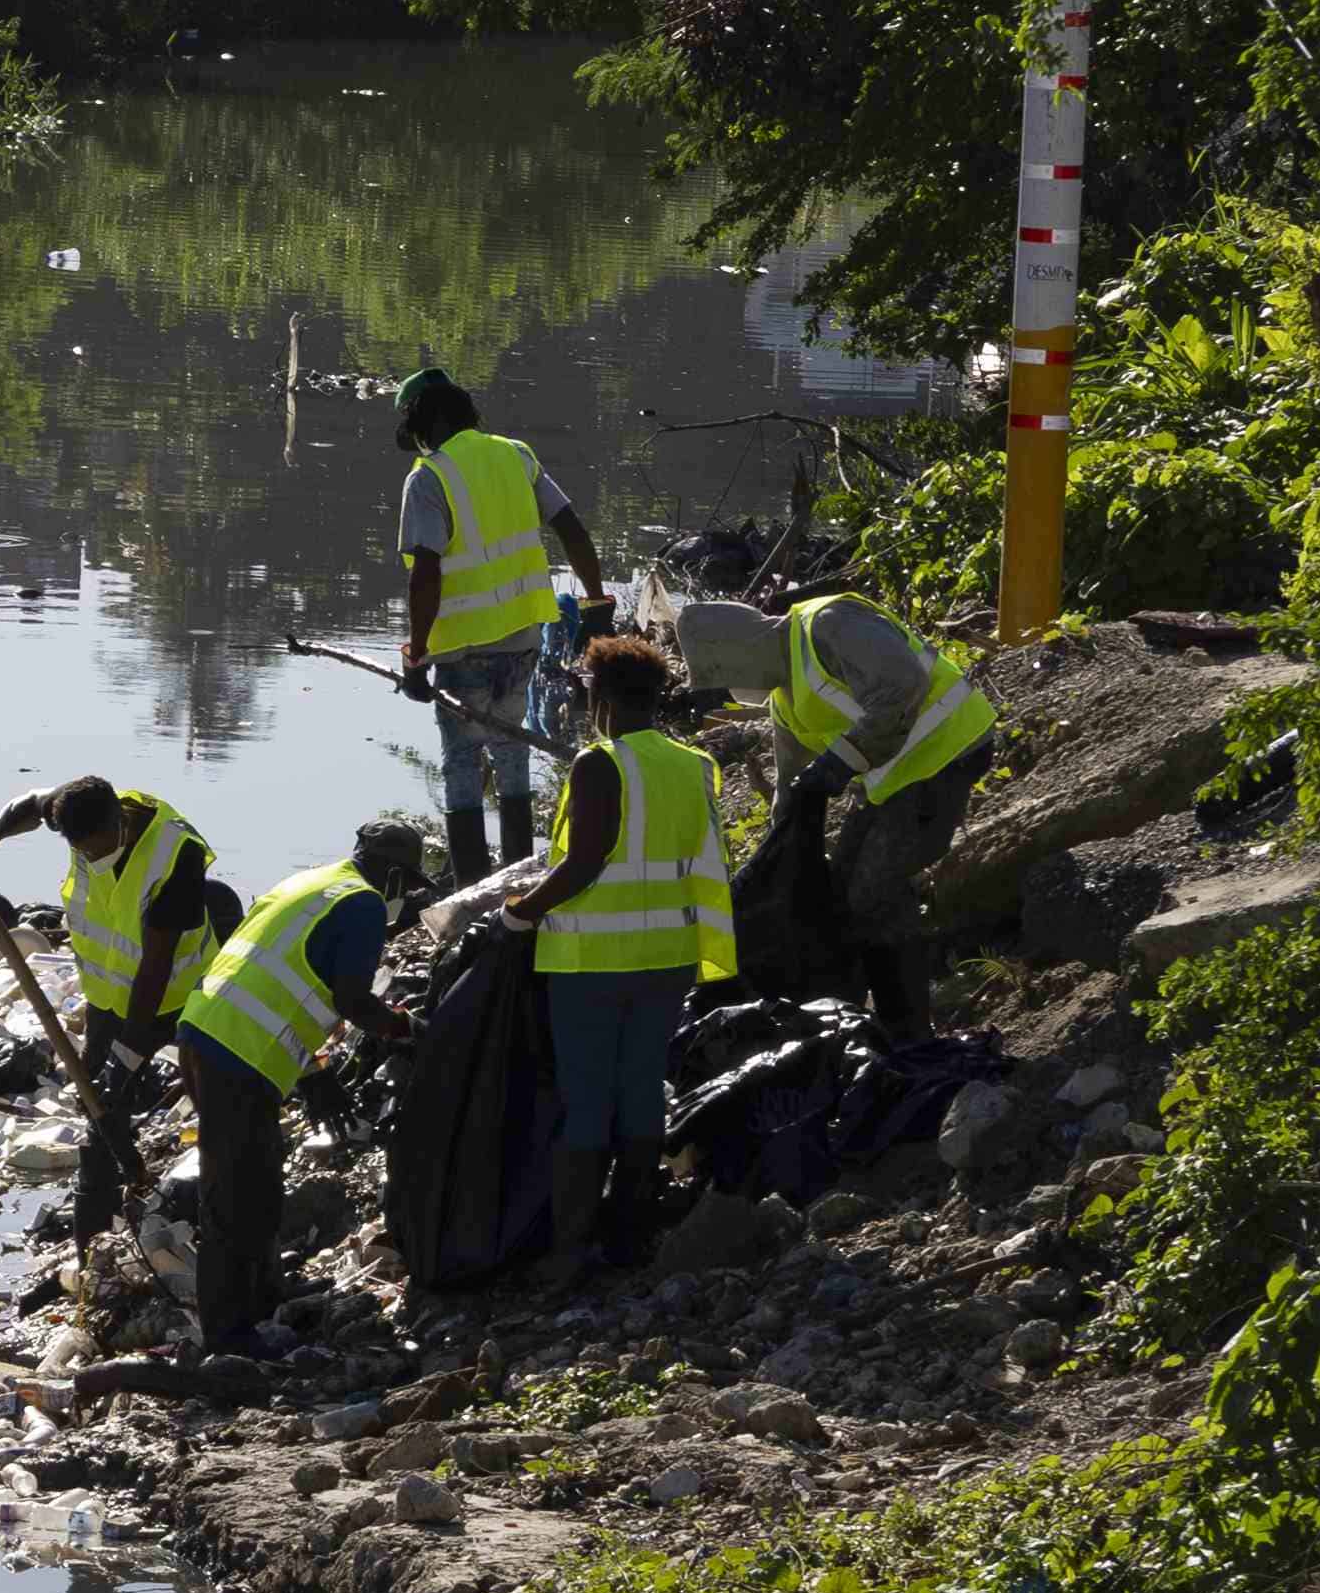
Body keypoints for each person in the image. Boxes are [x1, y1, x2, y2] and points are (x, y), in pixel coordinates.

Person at [498, 632, 736, 1279]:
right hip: (668, 956)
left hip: (594, 964)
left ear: (599, 696)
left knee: (586, 1099)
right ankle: (628, 1238)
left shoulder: (600, 764)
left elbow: (586, 860)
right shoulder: (692, 765)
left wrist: (520, 913)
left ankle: (571, 1251)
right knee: (639, 1093)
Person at [676, 589, 998, 1047]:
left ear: (743, 652)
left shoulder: (830, 623)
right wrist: (774, 853)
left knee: (874, 890)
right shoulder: (785, 701)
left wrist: (837, 763)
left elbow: (902, 685)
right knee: (840, 888)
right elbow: (790, 788)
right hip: (899, 780)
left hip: (951, 751)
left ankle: (908, 1031)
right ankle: (862, 1019)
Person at [169, 817, 435, 1351]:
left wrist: (314, 1072)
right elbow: (353, 1001)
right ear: (391, 873)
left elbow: (276, 977)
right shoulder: (361, 904)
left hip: (208, 1033)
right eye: (405, 885)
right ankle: (229, 1335)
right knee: (235, 1194)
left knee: (262, 1177)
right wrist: (411, 1030)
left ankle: (266, 1294)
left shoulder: (307, 883)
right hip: (238, 1054)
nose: (403, 898)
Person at [0, 775, 238, 1234]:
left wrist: (128, 1055)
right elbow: (32, 802)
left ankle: (221, 1208)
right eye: (82, 851)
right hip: (106, 997)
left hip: (180, 996)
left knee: (211, 1099)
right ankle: (97, 1231)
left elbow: (155, 967)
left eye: (96, 848)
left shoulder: (177, 856)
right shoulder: (77, 810)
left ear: (119, 819)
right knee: (102, 1113)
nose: (91, 858)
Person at [390, 367, 615, 888]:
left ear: (433, 418)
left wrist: (416, 655)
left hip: (460, 649)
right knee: (513, 749)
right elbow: (571, 527)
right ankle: (518, 873)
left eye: (417, 424)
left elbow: (426, 572)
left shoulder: (429, 477)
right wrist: (597, 596)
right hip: (521, 638)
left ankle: (472, 885)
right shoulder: (517, 454)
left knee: (462, 762)